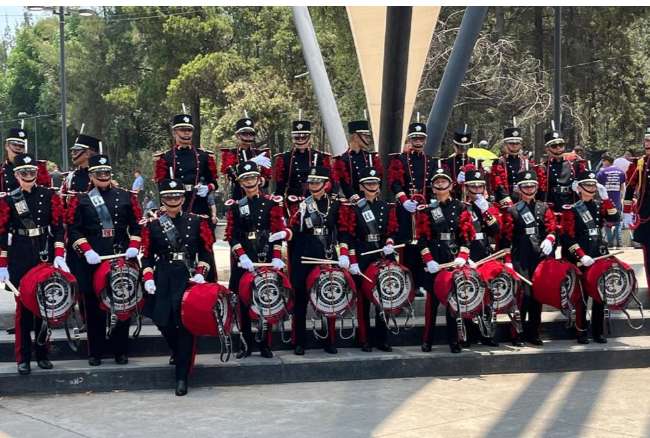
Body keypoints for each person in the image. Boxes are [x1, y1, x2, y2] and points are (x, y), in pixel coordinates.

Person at [141, 178, 214, 396]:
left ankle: (181, 377)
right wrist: (148, 277)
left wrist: (201, 274)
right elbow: (146, 257)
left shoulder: (196, 221)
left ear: (183, 198)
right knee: (161, 319)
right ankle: (177, 351)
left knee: (184, 326)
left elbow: (206, 252)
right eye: (168, 197)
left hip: (187, 277)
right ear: (162, 200)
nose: (173, 200)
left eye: (177, 196)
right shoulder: (153, 225)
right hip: (163, 276)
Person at [67, 154, 143, 366]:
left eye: (106, 173)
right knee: (93, 307)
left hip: (119, 256)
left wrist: (134, 246)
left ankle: (120, 350)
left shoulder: (126, 196)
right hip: (93, 258)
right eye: (98, 173)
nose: (103, 176)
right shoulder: (81, 199)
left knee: (122, 303)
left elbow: (137, 226)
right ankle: (96, 351)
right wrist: (86, 250)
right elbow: (73, 230)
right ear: (91, 175)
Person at [0, 153, 66, 375]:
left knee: (44, 307)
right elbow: (1, 234)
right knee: (24, 310)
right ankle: (23, 357)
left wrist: (59, 253)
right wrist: (2, 264)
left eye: (32, 172)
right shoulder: (9, 200)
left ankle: (43, 353)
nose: (28, 176)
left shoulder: (49, 195)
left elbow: (58, 226)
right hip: (20, 254)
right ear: (17, 175)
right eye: (23, 173)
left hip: (43, 252)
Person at [225, 161, 290, 359]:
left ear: (259, 179)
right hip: (246, 259)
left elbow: (277, 232)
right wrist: (241, 255)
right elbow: (232, 235)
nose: (249, 182)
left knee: (267, 300)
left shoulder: (272, 203)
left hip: (266, 256)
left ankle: (265, 345)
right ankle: (245, 344)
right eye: (245, 179)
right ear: (240, 183)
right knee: (244, 303)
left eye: (252, 177)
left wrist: (277, 257)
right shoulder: (236, 207)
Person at [288, 165, 346, 355]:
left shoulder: (336, 204)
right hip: (304, 254)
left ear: (326, 184)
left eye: (317, 182)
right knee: (301, 299)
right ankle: (299, 341)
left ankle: (329, 340)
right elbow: (294, 229)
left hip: (326, 253)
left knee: (329, 298)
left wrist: (344, 253)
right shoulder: (302, 204)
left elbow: (343, 230)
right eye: (311, 182)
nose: (313, 185)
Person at [339, 167, 398, 352]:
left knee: (383, 297)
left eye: (375, 183)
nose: (372, 186)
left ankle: (383, 338)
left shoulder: (386, 207)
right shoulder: (354, 208)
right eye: (368, 184)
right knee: (363, 300)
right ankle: (364, 338)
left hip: (381, 253)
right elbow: (348, 236)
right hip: (362, 253)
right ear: (361, 187)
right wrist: (352, 260)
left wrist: (389, 242)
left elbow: (392, 230)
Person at [416, 168, 473, 354]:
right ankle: (427, 341)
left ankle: (454, 341)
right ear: (432, 187)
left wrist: (462, 257)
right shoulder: (427, 210)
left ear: (451, 185)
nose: (440, 184)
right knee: (431, 305)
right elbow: (422, 238)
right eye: (437, 181)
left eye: (444, 181)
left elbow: (466, 236)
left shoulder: (461, 207)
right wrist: (428, 260)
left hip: (453, 258)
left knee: (453, 303)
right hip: (435, 258)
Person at [499, 170, 557, 346]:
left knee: (537, 297)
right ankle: (517, 333)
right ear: (519, 189)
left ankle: (534, 332)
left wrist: (550, 238)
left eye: (532, 185)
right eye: (525, 186)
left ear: (537, 187)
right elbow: (505, 238)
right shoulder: (513, 210)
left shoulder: (543, 208)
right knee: (523, 296)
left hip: (538, 257)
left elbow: (551, 227)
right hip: (520, 257)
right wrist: (507, 261)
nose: (529, 189)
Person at [561, 170, 619, 344]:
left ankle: (598, 332)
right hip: (581, 257)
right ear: (579, 188)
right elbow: (567, 237)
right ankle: (581, 331)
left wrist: (607, 198)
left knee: (600, 295)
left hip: (598, 255)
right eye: (588, 185)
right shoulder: (571, 209)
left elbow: (614, 217)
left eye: (594, 185)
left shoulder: (598, 206)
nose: (592, 188)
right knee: (582, 296)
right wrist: (581, 255)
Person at [387, 122, 439, 298]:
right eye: (415, 138)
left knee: (424, 244)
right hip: (406, 209)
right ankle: (407, 282)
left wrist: (432, 202)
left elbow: (434, 183)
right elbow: (394, 182)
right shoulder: (399, 160)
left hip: (424, 209)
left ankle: (422, 282)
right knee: (407, 245)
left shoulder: (431, 161)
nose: (418, 141)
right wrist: (404, 200)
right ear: (410, 139)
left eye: (421, 138)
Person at [153, 113, 218, 216]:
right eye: (183, 130)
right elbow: (161, 186)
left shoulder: (203, 156)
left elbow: (214, 183)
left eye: (189, 130)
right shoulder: (166, 157)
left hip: (199, 204)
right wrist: (164, 207)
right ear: (175, 132)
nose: (186, 133)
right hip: (174, 205)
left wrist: (208, 187)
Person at [273, 119, 331, 216]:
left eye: (303, 137)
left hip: (315, 201)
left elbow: (328, 181)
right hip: (292, 203)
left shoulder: (320, 156)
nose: (300, 140)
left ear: (309, 138)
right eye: (297, 137)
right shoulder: (285, 158)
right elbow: (280, 185)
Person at [220, 117, 272, 200]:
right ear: (237, 135)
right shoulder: (230, 154)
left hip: (259, 197)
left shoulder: (260, 154)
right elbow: (233, 176)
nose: (248, 137)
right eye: (244, 134)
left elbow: (267, 180)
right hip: (239, 196)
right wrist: (251, 162)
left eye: (251, 134)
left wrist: (261, 181)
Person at [332, 119, 383, 202]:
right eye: (365, 136)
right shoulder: (343, 160)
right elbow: (344, 184)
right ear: (356, 136)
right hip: (354, 203)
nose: (368, 139)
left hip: (372, 199)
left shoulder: (371, 157)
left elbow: (379, 179)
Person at [489, 125, 532, 208]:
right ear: (505, 144)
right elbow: (498, 185)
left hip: (523, 200)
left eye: (517, 143)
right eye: (511, 143)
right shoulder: (499, 162)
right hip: (505, 201)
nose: (515, 146)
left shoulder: (526, 162)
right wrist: (508, 202)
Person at [0, 127, 50, 192]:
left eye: (21, 146)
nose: (18, 148)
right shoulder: (1, 169)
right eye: (14, 144)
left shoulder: (37, 167)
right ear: (6, 146)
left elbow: (45, 191)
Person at [596, 154, 626, 248]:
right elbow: (622, 188)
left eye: (603, 161)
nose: (602, 163)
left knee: (606, 221)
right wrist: (622, 199)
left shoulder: (602, 172)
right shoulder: (621, 172)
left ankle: (609, 242)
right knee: (618, 221)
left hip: (605, 201)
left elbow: (597, 187)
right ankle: (619, 242)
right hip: (617, 199)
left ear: (606, 161)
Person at [444, 124, 476, 199]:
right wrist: (456, 182)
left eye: (466, 147)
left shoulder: (475, 162)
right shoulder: (447, 162)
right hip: (453, 198)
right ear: (454, 146)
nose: (463, 150)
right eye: (460, 147)